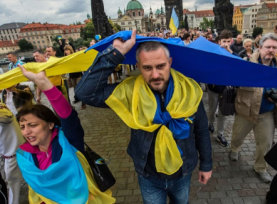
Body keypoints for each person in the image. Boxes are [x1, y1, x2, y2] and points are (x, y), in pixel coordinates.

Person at [76, 30, 213, 203]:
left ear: (170, 63)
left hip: (183, 173)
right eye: (147, 68)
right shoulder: (129, 92)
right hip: (149, 176)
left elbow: (201, 130)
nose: (155, 75)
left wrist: (206, 165)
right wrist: (115, 54)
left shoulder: (189, 91)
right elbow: (84, 93)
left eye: (160, 66)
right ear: (139, 67)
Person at [15, 65, 115, 204]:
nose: (26, 132)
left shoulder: (69, 141)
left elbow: (68, 117)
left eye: (33, 125)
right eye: (22, 127)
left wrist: (45, 84)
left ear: (50, 124)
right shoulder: (24, 156)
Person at [230, 33, 277, 183]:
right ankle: (234, 149)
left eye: (274, 47)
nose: (270, 50)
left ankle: (260, 167)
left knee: (265, 144)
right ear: (260, 47)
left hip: (267, 113)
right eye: (267, 47)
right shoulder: (247, 63)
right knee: (238, 136)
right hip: (246, 110)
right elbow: (233, 79)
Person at [207, 30, 235, 147]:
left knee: (223, 113)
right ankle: (211, 123)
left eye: (229, 41)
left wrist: (230, 52)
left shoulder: (232, 52)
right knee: (212, 109)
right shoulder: (214, 52)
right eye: (224, 41)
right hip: (213, 88)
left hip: (226, 89)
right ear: (219, 41)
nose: (226, 44)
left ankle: (220, 134)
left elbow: (237, 64)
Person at [0, 103, 24, 204]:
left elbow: (6, 117)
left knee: (12, 182)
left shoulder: (2, 112)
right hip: (9, 153)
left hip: (13, 153)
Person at [64, 45, 86, 109]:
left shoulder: (74, 56)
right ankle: (78, 99)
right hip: (72, 76)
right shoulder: (65, 58)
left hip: (78, 74)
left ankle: (83, 103)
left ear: (70, 50)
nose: (66, 51)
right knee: (75, 89)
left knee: (80, 89)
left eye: (67, 50)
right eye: (65, 50)